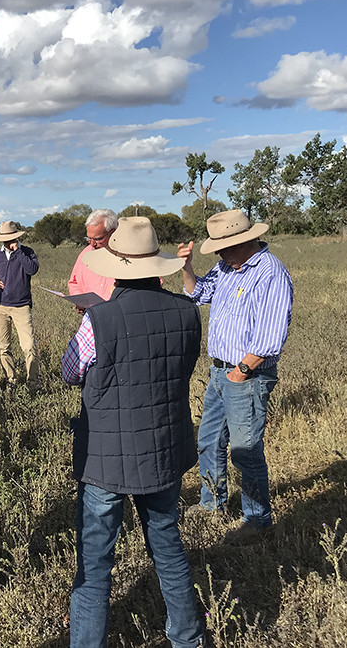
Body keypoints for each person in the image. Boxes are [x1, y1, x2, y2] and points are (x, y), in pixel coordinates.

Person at [62, 217, 205, 648]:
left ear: (115, 264)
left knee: (94, 563)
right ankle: (188, 637)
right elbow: (181, 368)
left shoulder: (99, 318)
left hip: (105, 456)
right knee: (168, 545)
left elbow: (71, 372)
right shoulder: (187, 310)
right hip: (164, 448)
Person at [177, 208, 293, 544]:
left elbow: (271, 336)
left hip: (247, 374)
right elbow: (198, 294)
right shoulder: (226, 267)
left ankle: (257, 521)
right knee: (209, 441)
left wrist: (241, 373)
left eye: (224, 247)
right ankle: (212, 503)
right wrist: (187, 269)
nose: (220, 253)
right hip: (219, 370)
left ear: (246, 241)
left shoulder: (269, 273)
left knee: (245, 449)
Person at [0, 221, 40, 387]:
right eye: (5, 240)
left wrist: (18, 252)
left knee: (29, 346)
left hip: (22, 306)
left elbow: (32, 269)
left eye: (10, 239)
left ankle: (33, 383)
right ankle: (10, 380)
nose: (7, 242)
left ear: (16, 237)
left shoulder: (27, 252)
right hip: (0, 306)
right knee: (4, 347)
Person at [67, 208, 118, 302]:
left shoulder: (126, 256)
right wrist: (80, 302)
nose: (92, 244)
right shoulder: (85, 254)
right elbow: (74, 283)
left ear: (112, 232)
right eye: (89, 238)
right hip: (91, 314)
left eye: (98, 239)